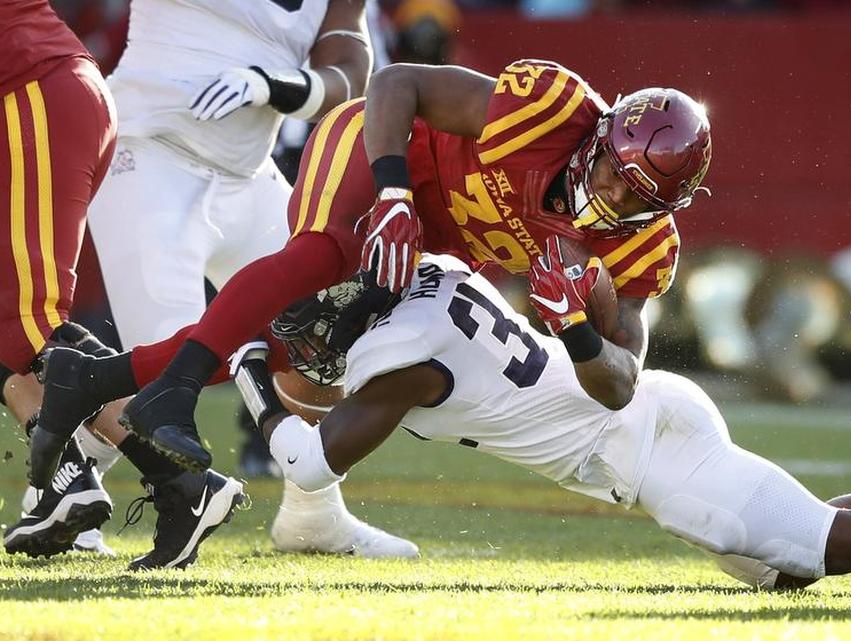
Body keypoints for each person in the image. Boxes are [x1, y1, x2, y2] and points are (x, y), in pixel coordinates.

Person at [252, 254, 851, 601]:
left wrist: (257, 386)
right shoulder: (434, 276)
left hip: (647, 453)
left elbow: (312, 463)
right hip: (648, 419)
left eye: (317, 328)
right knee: (783, 569)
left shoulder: (394, 359)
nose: (315, 345)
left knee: (820, 544)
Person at [29, 58, 712, 481]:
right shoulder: (551, 110)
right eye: (613, 172)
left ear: (665, 210)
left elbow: (620, 384)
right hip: (387, 154)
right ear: (600, 138)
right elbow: (396, 82)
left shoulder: (644, 252)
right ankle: (171, 392)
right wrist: (392, 193)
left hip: (437, 238)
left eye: (638, 198)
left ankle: (88, 379)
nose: (613, 196)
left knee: (307, 345)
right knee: (322, 255)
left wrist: (575, 330)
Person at [21, 0, 418, 565]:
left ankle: (313, 513)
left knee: (327, 328)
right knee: (166, 364)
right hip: (151, 152)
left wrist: (275, 85)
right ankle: (61, 493)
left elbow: (352, 80)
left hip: (249, 174)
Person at [0, 1, 237, 567]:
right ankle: (134, 480)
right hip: (37, 91)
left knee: (25, 321)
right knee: (16, 324)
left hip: (31, 87)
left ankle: (132, 478)